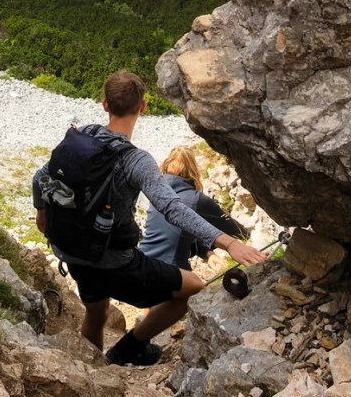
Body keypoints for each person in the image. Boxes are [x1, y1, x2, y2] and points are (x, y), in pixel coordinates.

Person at [32, 69, 267, 367]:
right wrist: (229, 243)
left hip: (72, 250)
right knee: (191, 287)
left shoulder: (82, 137)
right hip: (116, 261)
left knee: (96, 312)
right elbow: (172, 207)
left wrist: (42, 213)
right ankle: (127, 351)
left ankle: (90, 372)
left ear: (105, 104)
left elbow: (41, 177)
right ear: (142, 107)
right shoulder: (136, 160)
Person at [139, 145, 248, 272]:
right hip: (170, 272)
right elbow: (232, 229)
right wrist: (248, 234)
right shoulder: (197, 200)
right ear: (193, 171)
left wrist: (207, 253)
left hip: (143, 264)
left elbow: (176, 234)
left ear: (165, 166)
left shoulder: (157, 198)